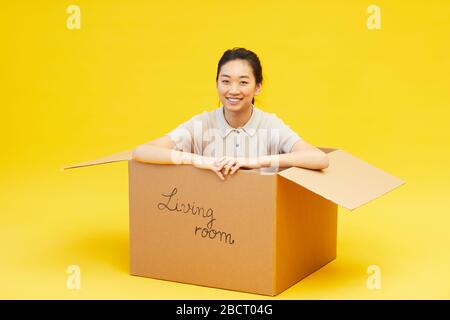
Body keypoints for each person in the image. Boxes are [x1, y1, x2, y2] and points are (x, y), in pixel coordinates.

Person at [132, 47, 329, 180]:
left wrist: (253, 162)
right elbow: (141, 151)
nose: (233, 90)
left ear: (258, 87)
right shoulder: (202, 124)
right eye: (226, 81)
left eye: (243, 82)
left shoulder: (270, 125)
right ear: (217, 83)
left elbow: (319, 158)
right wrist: (199, 160)